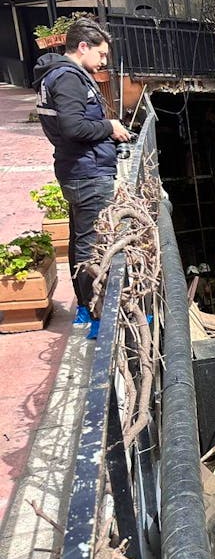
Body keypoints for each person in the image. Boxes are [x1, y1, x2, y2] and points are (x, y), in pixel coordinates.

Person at [33, 17, 132, 338]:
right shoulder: (68, 79)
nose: (103, 62)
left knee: (81, 240)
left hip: (78, 170)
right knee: (94, 246)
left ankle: (86, 308)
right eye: (101, 55)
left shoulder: (61, 75)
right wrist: (110, 127)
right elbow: (73, 128)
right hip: (87, 173)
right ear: (83, 47)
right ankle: (97, 316)